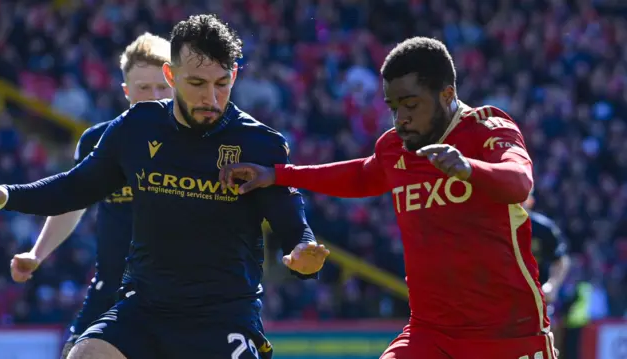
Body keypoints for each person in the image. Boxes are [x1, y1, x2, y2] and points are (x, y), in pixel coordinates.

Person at [0, 14, 329, 359]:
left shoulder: (260, 142)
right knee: (85, 354)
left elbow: (290, 220)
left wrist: (304, 252)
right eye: (196, 83)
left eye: (222, 83)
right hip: (144, 308)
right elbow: (73, 189)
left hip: (223, 315)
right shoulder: (137, 126)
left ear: (235, 75)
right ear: (172, 75)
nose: (211, 98)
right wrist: (5, 195)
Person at [219, 37, 557, 359]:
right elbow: (363, 175)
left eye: (410, 105)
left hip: (508, 332)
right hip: (431, 333)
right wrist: (279, 174)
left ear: (447, 94)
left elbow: (519, 182)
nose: (400, 119)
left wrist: (469, 168)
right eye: (393, 107)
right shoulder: (396, 146)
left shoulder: (488, 128)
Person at [8, 32, 174, 359]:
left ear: (177, 84)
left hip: (178, 296)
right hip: (110, 292)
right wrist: (38, 253)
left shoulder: (199, 143)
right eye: (143, 88)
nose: (154, 96)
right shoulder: (100, 141)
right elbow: (73, 199)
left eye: (162, 87)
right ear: (126, 92)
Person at [524, 189, 570, 354]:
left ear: (530, 201)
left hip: (539, 297)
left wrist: (552, 285)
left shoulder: (543, 228)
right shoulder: (499, 227)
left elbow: (561, 260)